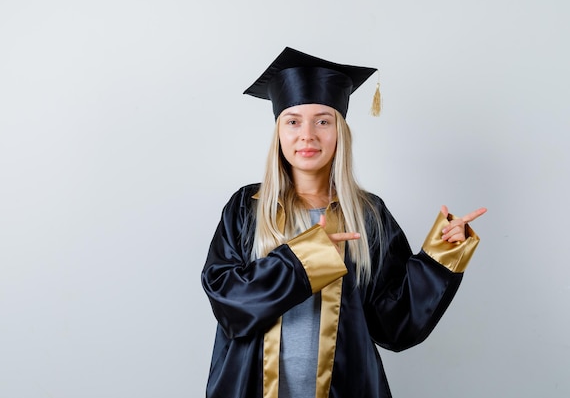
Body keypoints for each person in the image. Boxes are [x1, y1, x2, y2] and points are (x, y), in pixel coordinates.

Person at [201, 47, 487, 398]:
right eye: (293, 121)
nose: (307, 135)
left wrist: (441, 256)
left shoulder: (367, 214)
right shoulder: (247, 207)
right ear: (278, 132)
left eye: (323, 120)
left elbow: (394, 325)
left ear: (340, 131)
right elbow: (229, 302)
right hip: (250, 386)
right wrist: (310, 256)